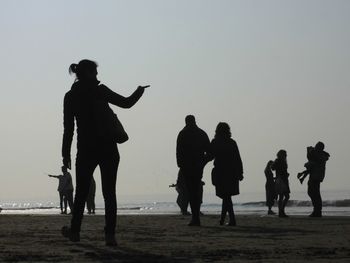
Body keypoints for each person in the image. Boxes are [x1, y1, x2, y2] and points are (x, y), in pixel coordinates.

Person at [61, 59, 148, 245]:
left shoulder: (71, 96)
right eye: (96, 72)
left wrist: (65, 153)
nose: (98, 76)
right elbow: (126, 103)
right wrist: (140, 91)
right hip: (108, 147)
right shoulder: (100, 90)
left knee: (81, 193)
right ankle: (110, 236)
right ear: (90, 73)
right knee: (109, 193)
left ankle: (75, 232)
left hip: (85, 148)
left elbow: (68, 128)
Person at [176, 115, 210, 226]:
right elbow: (210, 152)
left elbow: (178, 152)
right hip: (196, 167)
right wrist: (203, 162)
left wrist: (181, 165)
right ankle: (195, 217)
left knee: (192, 192)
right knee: (195, 191)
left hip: (188, 167)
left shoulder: (183, 134)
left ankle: (195, 218)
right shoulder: (201, 133)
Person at [207, 122, 243, 226]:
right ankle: (223, 220)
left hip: (220, 172)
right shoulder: (232, 142)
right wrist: (240, 172)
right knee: (227, 196)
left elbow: (210, 156)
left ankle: (232, 220)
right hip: (231, 172)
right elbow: (238, 159)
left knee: (225, 196)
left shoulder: (215, 142)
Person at [307, 141, 330, 217]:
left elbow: (311, 158)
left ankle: (317, 211)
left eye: (316, 146)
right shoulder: (320, 154)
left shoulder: (320, 155)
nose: (315, 147)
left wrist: (309, 151)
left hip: (316, 176)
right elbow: (311, 159)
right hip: (316, 175)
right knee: (313, 192)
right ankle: (317, 210)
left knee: (314, 193)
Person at [271, 150, 290, 218]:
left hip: (281, 179)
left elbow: (273, 168)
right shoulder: (279, 161)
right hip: (282, 180)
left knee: (282, 196)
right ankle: (281, 211)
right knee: (285, 196)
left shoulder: (279, 161)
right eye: (285, 154)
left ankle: (281, 211)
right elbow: (273, 168)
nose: (286, 155)